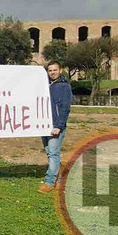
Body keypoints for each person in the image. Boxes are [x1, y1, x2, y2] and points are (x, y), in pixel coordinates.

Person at [38, 60, 72, 193]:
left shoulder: (65, 87)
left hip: (55, 125)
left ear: (60, 70)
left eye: (54, 70)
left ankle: (49, 182)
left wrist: (59, 125)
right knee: (50, 152)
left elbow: (65, 108)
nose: (52, 72)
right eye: (50, 70)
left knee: (53, 153)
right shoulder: (45, 85)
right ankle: (58, 180)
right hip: (44, 124)